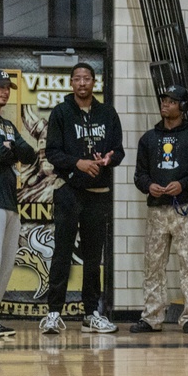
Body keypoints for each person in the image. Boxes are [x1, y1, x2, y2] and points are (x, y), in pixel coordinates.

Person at [41, 62, 124, 335]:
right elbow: (52, 152)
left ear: (94, 82)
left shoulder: (108, 113)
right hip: (68, 191)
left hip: (97, 194)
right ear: (71, 83)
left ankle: (91, 314)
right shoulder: (61, 113)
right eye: (77, 79)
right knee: (62, 252)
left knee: (92, 256)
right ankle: (54, 313)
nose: (82, 83)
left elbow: (119, 151)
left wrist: (109, 158)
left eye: (86, 78)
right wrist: (78, 162)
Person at [130, 86, 188, 334]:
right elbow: (139, 175)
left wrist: (183, 185)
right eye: (164, 100)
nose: (165, 104)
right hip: (157, 210)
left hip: (185, 209)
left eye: (171, 101)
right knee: (153, 265)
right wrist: (149, 186)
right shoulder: (148, 139)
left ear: (182, 107)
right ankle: (152, 317)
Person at [0, 71, 38, 339]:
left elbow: (29, 153)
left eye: (6, 87)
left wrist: (9, 148)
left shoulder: (8, 127)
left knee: (6, 264)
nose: (4, 91)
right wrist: (9, 151)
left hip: (10, 202)